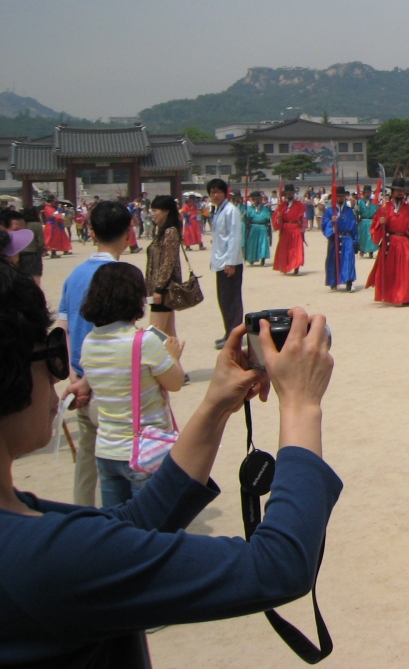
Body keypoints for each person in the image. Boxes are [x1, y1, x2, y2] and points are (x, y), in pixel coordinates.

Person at [0, 264, 341, 668]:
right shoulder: (37, 559)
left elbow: (133, 524)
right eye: (52, 354)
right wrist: (301, 405)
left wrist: (215, 406)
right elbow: (277, 567)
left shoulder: (21, 526)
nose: (57, 377)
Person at [78, 262, 187, 506]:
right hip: (144, 452)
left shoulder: (89, 342)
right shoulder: (144, 341)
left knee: (117, 524)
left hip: (106, 449)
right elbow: (175, 382)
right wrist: (172, 356)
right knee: (150, 523)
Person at [55, 200, 133, 507]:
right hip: (111, 382)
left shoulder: (74, 276)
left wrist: (75, 377)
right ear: (128, 233)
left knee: (87, 458)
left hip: (79, 379)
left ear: (92, 231)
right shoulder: (120, 277)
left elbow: (63, 329)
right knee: (126, 459)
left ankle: (83, 514)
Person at [368, 176, 409, 307]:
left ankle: (407, 297)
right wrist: (381, 223)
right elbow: (375, 227)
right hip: (390, 242)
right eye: (397, 190)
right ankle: (390, 295)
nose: (400, 193)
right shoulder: (384, 208)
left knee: (406, 271)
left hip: (404, 242)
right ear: (392, 192)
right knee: (390, 270)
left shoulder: (408, 208)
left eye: (402, 190)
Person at [207, 179, 244, 350]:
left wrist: (230, 262)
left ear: (225, 193)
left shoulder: (231, 211)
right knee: (224, 299)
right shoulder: (217, 210)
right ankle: (229, 332)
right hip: (220, 261)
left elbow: (234, 237)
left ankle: (234, 336)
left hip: (230, 262)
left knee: (232, 300)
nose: (215, 195)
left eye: (218, 192)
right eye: (212, 192)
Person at [144, 195, 183, 340]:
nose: (153, 214)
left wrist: (159, 288)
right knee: (168, 335)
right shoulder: (163, 231)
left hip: (164, 290)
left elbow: (168, 262)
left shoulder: (170, 232)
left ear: (166, 211)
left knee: (155, 334)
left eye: (155, 210)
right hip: (160, 289)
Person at [321, 185, 359, 292]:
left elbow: (354, 226)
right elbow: (324, 226)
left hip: (347, 238)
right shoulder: (329, 211)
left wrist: (355, 240)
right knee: (333, 259)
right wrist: (331, 222)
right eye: (338, 196)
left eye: (342, 196)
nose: (341, 198)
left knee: (348, 259)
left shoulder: (349, 211)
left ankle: (349, 282)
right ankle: (333, 280)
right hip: (335, 237)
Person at [272, 184, 307, 275]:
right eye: (288, 193)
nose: (290, 195)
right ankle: (285, 266)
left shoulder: (299, 205)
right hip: (285, 229)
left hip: (296, 228)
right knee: (285, 249)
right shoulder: (281, 205)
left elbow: (303, 218)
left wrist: (302, 227)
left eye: (291, 193)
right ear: (285, 195)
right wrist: (278, 218)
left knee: (296, 248)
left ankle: (296, 267)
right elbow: (276, 219)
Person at [244, 191, 273, 266]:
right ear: (253, 199)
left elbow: (268, 217)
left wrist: (269, 209)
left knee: (263, 243)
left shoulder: (265, 208)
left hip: (262, 227)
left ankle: (262, 259)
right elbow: (246, 220)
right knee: (252, 243)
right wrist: (245, 215)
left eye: (259, 199)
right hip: (253, 227)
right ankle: (251, 259)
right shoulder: (249, 209)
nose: (258, 200)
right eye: (256, 199)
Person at [355, 185, 380, 258]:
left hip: (371, 221)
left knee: (371, 237)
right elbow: (356, 212)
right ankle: (362, 250)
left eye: (369, 192)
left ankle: (371, 252)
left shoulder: (374, 202)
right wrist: (357, 210)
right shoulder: (360, 202)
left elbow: (377, 211)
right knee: (362, 236)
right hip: (363, 221)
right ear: (363, 193)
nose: (367, 194)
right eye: (366, 192)